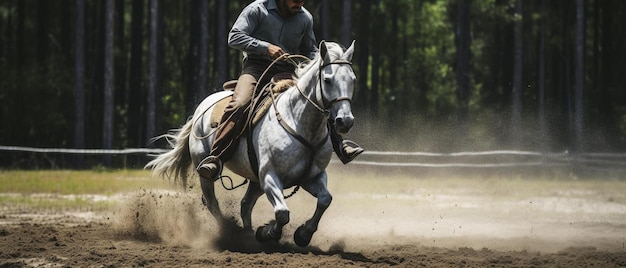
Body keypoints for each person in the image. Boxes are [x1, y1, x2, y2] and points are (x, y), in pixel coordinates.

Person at [197, 0, 363, 180]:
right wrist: (265, 48)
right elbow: (234, 37)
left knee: (318, 97)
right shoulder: (257, 10)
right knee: (240, 103)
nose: (300, 3)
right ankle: (215, 157)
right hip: (256, 69)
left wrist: (326, 59)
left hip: (288, 71)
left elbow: (309, 51)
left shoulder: (305, 18)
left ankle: (340, 145)